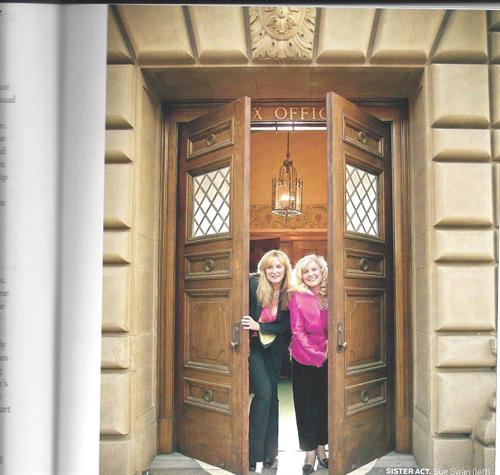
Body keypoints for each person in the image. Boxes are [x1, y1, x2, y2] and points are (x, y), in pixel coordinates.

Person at [241, 250, 293, 472]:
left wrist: (260, 326)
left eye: (279, 266)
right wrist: (252, 327)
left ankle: (270, 454)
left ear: (285, 269)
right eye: (270, 267)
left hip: (275, 351)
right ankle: (251, 455)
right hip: (253, 349)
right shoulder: (252, 285)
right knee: (263, 394)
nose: (274, 271)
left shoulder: (290, 292)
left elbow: (285, 327)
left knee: (273, 398)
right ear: (263, 269)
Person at [288, 254, 329, 474]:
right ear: (301, 275)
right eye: (306, 271)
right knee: (306, 407)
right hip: (304, 358)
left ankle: (322, 448)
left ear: (322, 271)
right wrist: (319, 355)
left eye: (315, 269)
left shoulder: (331, 293)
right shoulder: (297, 296)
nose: (311, 274)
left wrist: (331, 348)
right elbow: (297, 331)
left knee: (324, 404)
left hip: (332, 357)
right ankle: (309, 453)